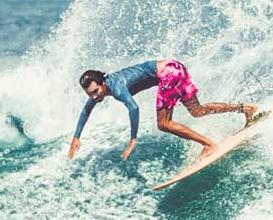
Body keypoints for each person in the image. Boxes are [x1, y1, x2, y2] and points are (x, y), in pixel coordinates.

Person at [67, 59, 259, 161]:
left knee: (163, 124)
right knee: (197, 110)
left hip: (168, 73)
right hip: (175, 67)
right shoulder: (101, 91)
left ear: (102, 82)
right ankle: (246, 109)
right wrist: (77, 136)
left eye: (95, 91)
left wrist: (133, 139)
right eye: (90, 94)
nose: (94, 96)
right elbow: (86, 111)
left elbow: (133, 107)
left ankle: (208, 144)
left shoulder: (116, 88)